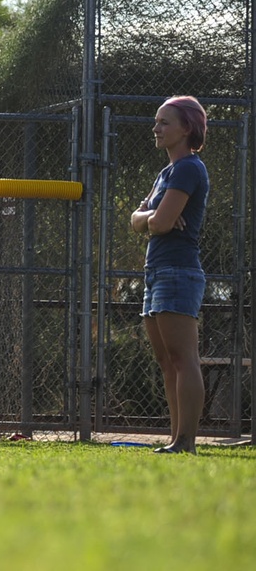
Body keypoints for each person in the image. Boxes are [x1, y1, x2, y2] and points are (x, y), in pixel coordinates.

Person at [130, 95, 209, 454]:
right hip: (156, 270)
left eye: (164, 122)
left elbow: (160, 221)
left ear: (187, 128)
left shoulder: (190, 168)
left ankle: (186, 442)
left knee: (182, 358)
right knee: (166, 362)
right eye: (156, 121)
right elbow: (138, 221)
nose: (156, 128)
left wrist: (153, 217)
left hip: (178, 271)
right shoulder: (167, 173)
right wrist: (151, 218)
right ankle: (175, 439)